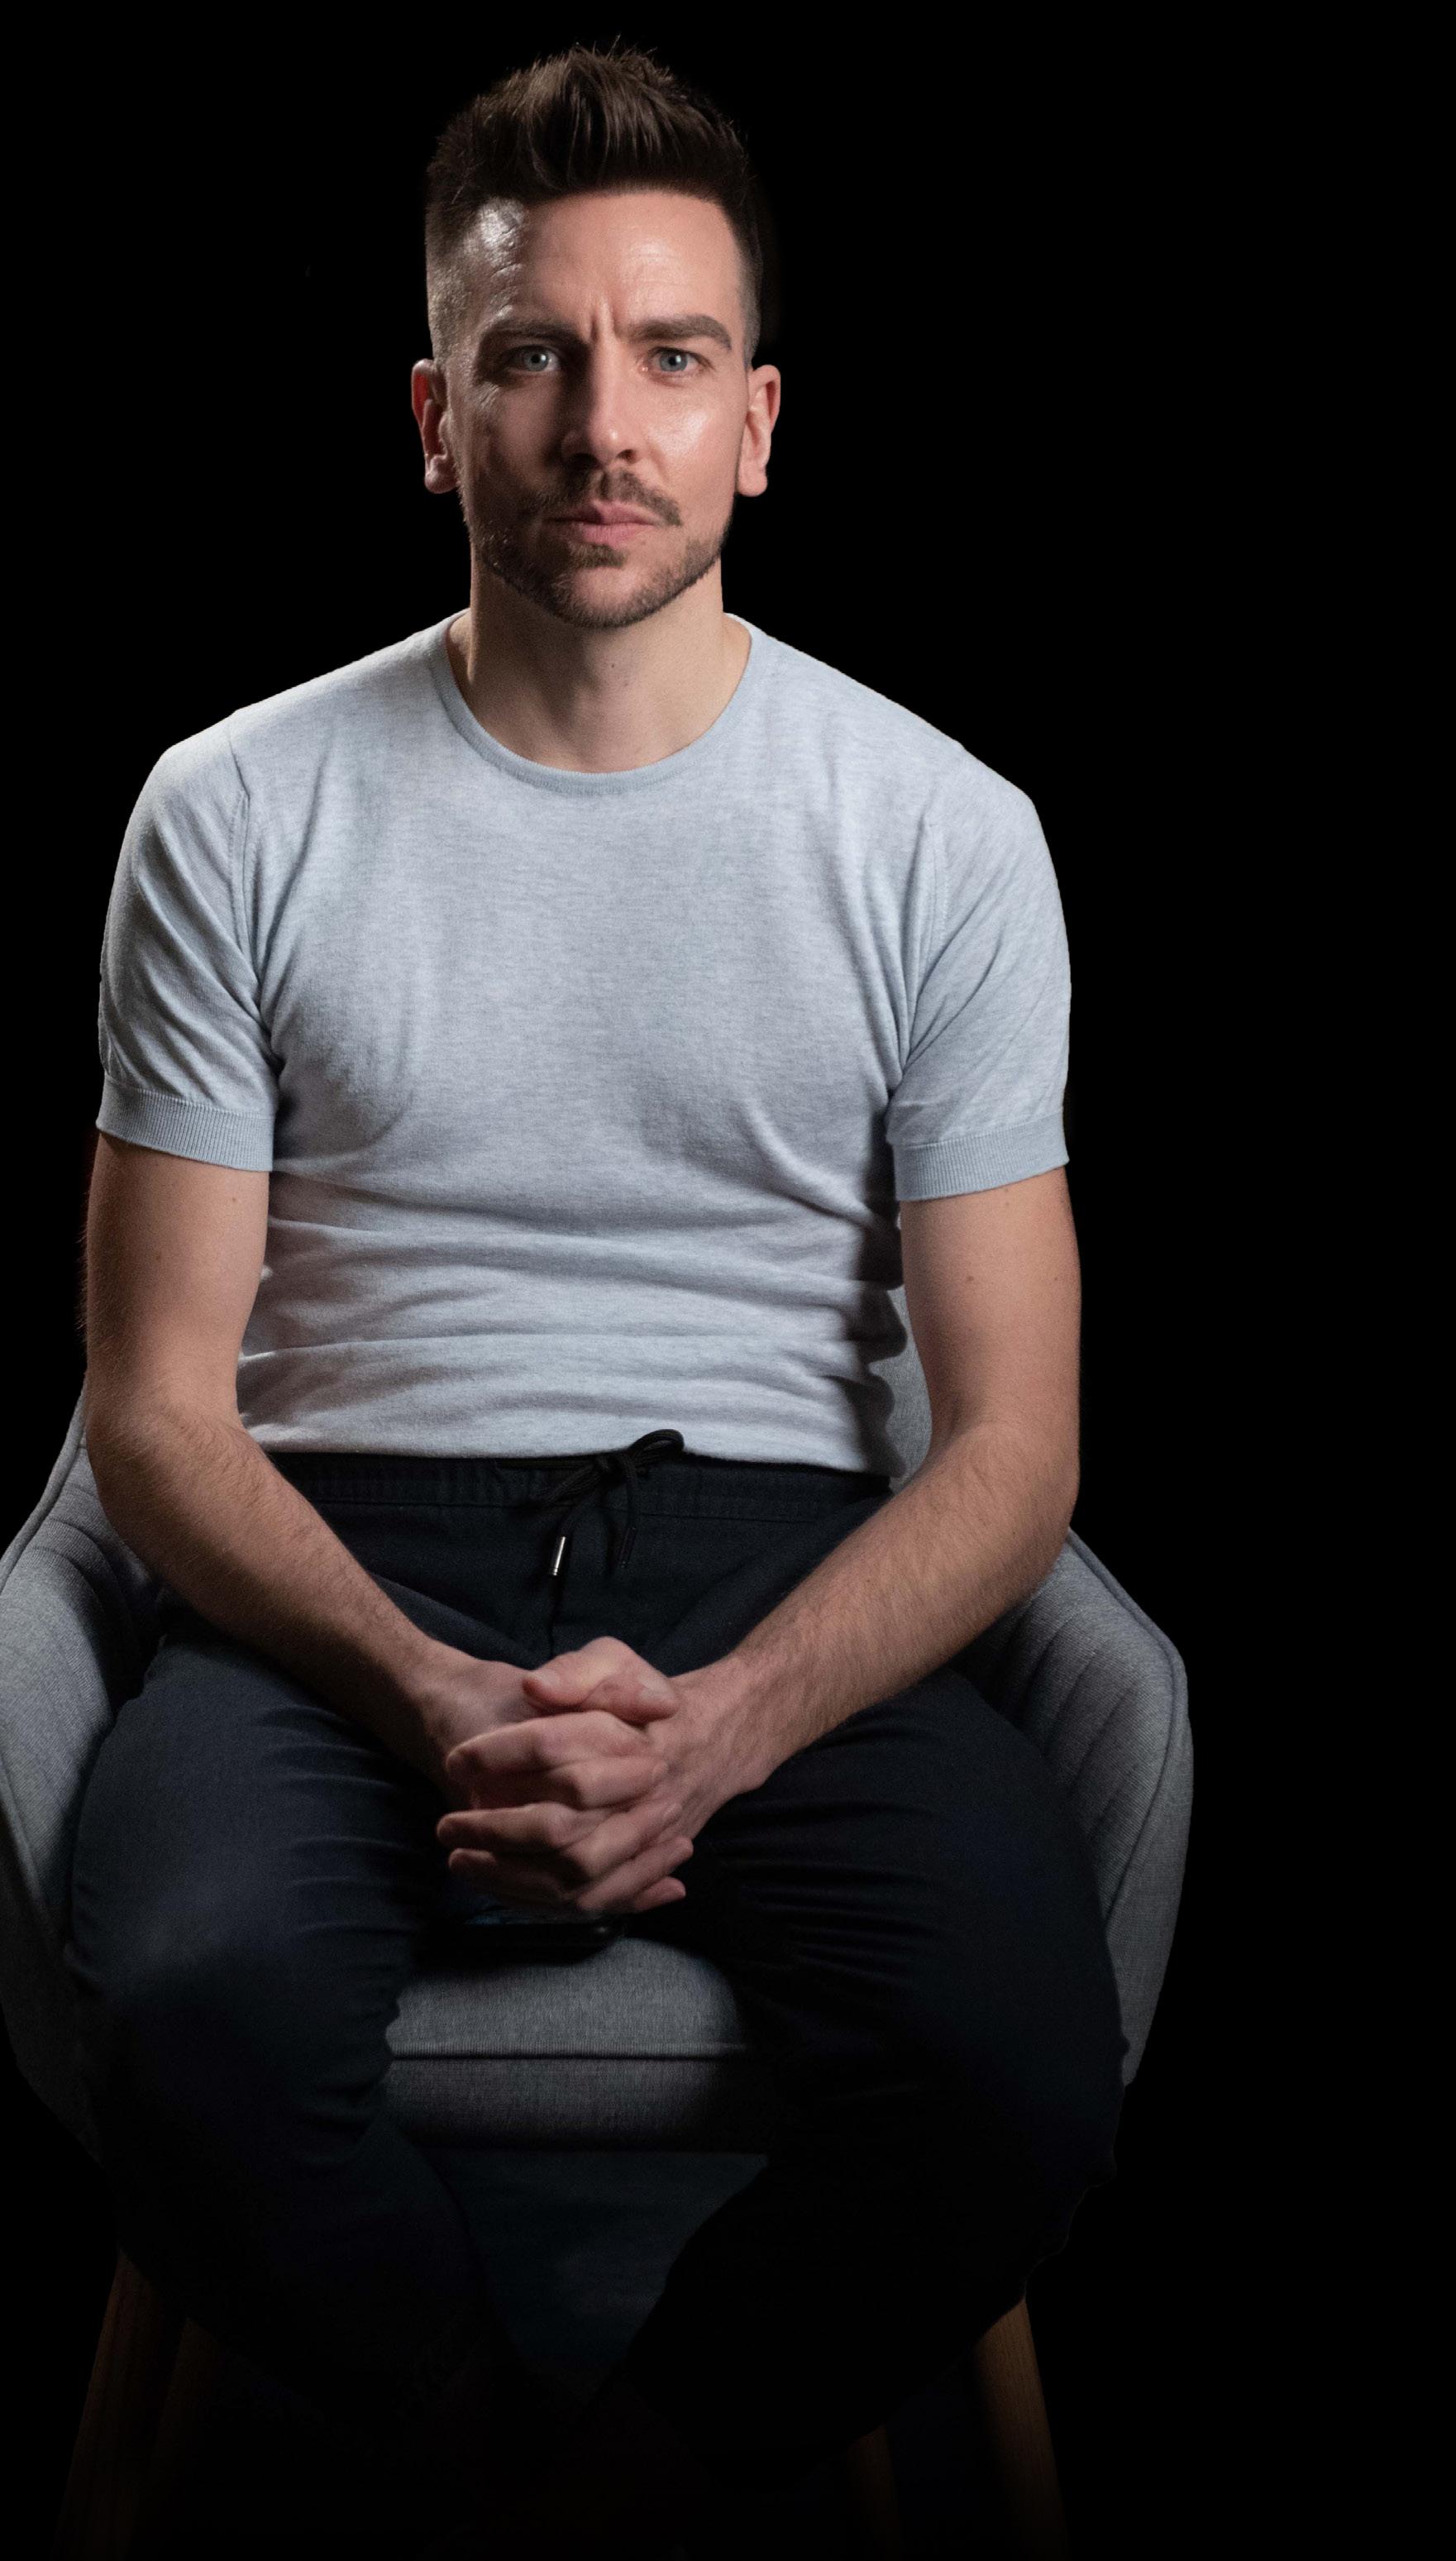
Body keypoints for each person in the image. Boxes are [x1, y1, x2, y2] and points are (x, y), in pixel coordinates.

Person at [66, 38, 1127, 2561]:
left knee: (1013, 2059)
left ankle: (638, 2476)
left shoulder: (939, 834)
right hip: (341, 1552)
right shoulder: (234, 808)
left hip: (777, 1552)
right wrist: (424, 1688)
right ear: (437, 417)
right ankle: (481, 2448)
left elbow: (1013, 1446)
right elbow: (155, 1407)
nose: (601, 425)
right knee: (185, 2010)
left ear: (757, 425)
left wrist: (731, 1721)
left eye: (670, 357)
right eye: (534, 356)